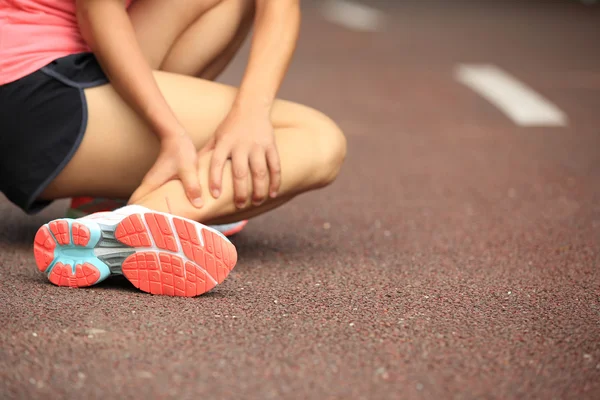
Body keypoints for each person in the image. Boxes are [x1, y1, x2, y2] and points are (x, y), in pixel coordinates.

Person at [0, 0, 346, 297]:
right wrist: (172, 133)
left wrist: (250, 114)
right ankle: (127, 224)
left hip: (48, 80)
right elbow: (96, 11)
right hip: (35, 89)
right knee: (316, 138)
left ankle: (110, 202)